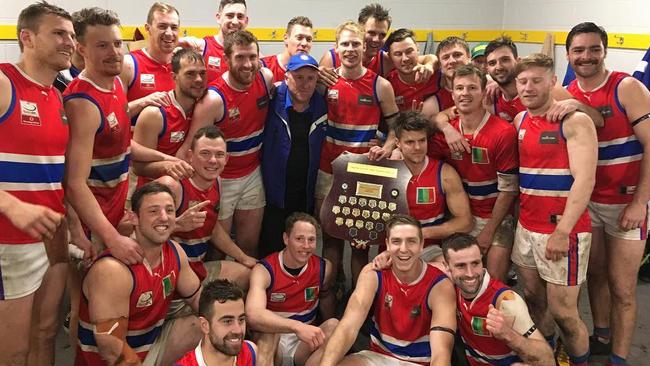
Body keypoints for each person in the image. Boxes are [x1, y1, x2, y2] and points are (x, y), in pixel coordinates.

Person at [64, 6, 183, 265]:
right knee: (93, 295)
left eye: (118, 43)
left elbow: (119, 143)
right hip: (93, 221)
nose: (115, 52)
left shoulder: (115, 82)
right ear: (81, 49)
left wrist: (167, 159)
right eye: (103, 46)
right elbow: (74, 183)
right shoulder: (82, 103)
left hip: (116, 210)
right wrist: (110, 237)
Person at [565, 22, 650, 365]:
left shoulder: (626, 87)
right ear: (569, 55)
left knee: (623, 289)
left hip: (627, 204)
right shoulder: (568, 92)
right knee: (596, 275)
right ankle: (601, 335)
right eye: (579, 50)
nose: (586, 57)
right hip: (591, 203)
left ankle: (619, 357)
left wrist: (640, 202)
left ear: (604, 51)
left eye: (593, 49)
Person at [511, 53, 597, 366]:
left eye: (536, 80)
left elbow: (585, 180)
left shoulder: (574, 121)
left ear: (552, 81)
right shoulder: (520, 120)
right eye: (523, 81)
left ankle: (579, 361)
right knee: (534, 299)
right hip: (526, 226)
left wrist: (563, 231)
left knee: (563, 311)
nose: (529, 87)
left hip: (562, 230)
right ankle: (545, 356)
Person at [0, 3, 74, 365]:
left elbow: (51, 170)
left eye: (72, 35)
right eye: (59, 33)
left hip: (51, 234)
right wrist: (11, 205)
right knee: (11, 351)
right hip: (9, 239)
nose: (70, 42)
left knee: (44, 334)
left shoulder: (56, 95)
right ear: (27, 38)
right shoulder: (3, 82)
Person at [153, 126, 256, 365]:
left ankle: (249, 350)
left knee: (251, 274)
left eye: (219, 155)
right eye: (205, 154)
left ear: (227, 158)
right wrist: (177, 224)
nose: (213, 160)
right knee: (211, 327)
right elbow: (135, 231)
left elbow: (213, 227)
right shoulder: (173, 186)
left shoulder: (216, 181)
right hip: (168, 290)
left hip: (197, 272)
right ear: (189, 156)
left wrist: (241, 256)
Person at [75, 182, 203, 365]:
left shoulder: (174, 251)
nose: (164, 217)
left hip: (149, 352)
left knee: (203, 326)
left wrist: (233, 323)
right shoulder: (112, 270)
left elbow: (200, 299)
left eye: (170, 210)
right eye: (153, 211)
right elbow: (111, 347)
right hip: (117, 362)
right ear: (133, 218)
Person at [315, 20, 399, 286]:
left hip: (364, 173)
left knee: (360, 243)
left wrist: (386, 147)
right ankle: (331, 291)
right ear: (336, 48)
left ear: (365, 48)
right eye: (345, 44)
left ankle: (357, 295)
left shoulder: (380, 85)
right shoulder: (325, 81)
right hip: (328, 169)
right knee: (330, 238)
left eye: (355, 44)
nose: (350, 49)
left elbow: (397, 129)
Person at [177, 30, 273, 258]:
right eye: (240, 57)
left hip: (252, 173)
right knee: (217, 249)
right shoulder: (213, 100)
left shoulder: (265, 78)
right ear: (226, 59)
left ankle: (243, 291)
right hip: (221, 180)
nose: (248, 64)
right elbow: (190, 149)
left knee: (250, 243)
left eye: (252, 57)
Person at [320, 214, 456, 366]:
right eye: (396, 241)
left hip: (419, 363)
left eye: (411, 241)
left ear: (421, 244)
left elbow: (441, 352)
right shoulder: (373, 274)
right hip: (377, 357)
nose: (403, 249)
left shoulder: (440, 285)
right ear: (387, 244)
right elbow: (348, 327)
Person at [428, 64, 518, 281]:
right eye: (459, 88)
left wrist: (489, 230)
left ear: (483, 91)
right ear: (452, 93)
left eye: (472, 88)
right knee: (457, 281)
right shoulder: (444, 135)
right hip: (460, 217)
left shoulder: (503, 132)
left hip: (495, 218)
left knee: (494, 281)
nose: (465, 93)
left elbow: (508, 190)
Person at [442, 233, 554, 365]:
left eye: (475, 263)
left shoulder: (506, 301)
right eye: (460, 266)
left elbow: (547, 360)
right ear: (447, 266)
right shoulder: (448, 287)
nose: (470, 273)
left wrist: (507, 334)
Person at [247, 213, 338, 366]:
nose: (306, 246)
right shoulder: (265, 270)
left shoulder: (324, 268)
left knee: (335, 326)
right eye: (299, 239)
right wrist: (296, 327)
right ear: (286, 239)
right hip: (275, 338)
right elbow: (253, 315)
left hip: (305, 342)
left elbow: (326, 298)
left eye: (311, 240)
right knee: (268, 335)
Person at [259, 53, 327, 257]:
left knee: (300, 247)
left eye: (310, 78)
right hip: (274, 191)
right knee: (270, 246)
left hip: (305, 190)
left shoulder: (322, 105)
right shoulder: (272, 99)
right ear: (287, 77)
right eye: (299, 77)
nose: (305, 84)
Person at [393, 110, 473, 262]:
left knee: (445, 267)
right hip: (391, 250)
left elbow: (465, 222)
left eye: (422, 140)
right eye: (410, 142)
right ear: (398, 143)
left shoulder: (445, 173)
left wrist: (423, 233)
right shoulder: (387, 171)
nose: (417, 147)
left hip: (429, 250)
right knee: (369, 275)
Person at [483, 36, 604, 125]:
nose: (499, 67)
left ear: (518, 61)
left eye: (505, 60)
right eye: (492, 63)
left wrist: (576, 104)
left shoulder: (548, 89)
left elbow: (598, 121)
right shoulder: (491, 96)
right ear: (487, 69)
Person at [132, 48, 204, 183]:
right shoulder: (155, 114)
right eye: (190, 74)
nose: (199, 79)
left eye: (202, 73)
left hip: (187, 190)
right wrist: (168, 166)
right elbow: (138, 167)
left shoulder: (205, 107)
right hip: (154, 193)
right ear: (174, 77)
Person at [318, 3, 435, 84]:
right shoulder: (331, 58)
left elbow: (430, 57)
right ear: (360, 29)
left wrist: (429, 65)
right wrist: (317, 75)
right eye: (371, 33)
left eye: (382, 35)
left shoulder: (385, 61)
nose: (376, 39)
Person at [120, 2, 180, 124]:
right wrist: (143, 102)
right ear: (148, 28)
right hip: (138, 142)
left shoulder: (183, 64)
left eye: (174, 27)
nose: (169, 33)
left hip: (177, 142)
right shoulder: (128, 64)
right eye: (162, 26)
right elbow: (114, 116)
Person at [174, 279, 258, 366]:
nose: (238, 330)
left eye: (241, 320)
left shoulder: (251, 353)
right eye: (227, 321)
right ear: (205, 326)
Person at [179, 0, 249, 83]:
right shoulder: (203, 46)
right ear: (218, 18)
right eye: (230, 16)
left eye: (240, 16)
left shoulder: (252, 54)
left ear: (246, 21)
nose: (235, 22)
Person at [384, 28, 439, 116]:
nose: (405, 58)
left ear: (417, 49)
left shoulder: (435, 74)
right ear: (390, 57)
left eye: (409, 51)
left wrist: (430, 65)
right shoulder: (387, 85)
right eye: (398, 54)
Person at [261, 16, 313, 83]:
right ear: (286, 38)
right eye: (299, 38)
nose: (304, 43)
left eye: (308, 39)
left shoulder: (313, 70)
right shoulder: (265, 66)